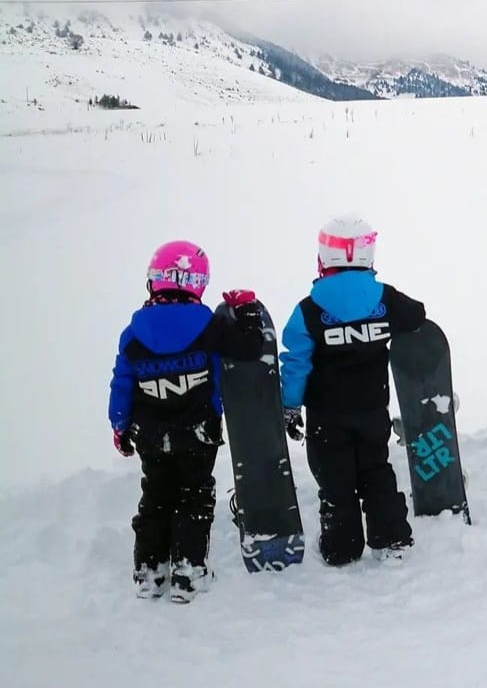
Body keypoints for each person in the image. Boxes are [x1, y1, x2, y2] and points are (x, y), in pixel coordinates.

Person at [109, 240, 263, 603]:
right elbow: (250, 348)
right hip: (198, 432)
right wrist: (248, 311)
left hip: (148, 434)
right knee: (194, 497)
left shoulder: (133, 333)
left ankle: (149, 572)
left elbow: (122, 382)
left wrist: (119, 424)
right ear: (198, 282)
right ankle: (188, 573)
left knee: (156, 497)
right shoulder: (208, 326)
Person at [280, 215, 425, 566]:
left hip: (326, 417)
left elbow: (296, 362)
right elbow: (417, 315)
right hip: (373, 408)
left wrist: (289, 404)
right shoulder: (385, 300)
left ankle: (341, 548)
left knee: (335, 480)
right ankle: (391, 539)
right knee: (376, 469)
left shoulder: (308, 311)